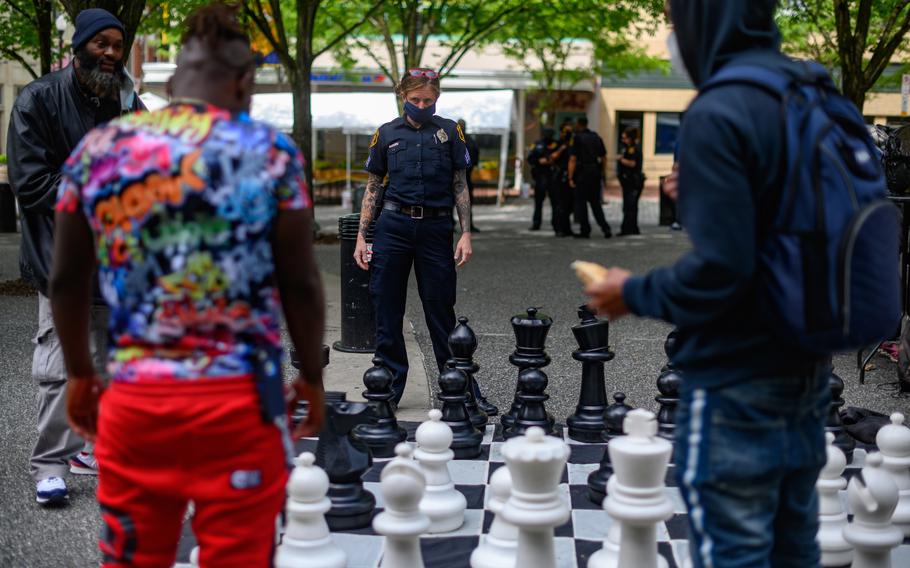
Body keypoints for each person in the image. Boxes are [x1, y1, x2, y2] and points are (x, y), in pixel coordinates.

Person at [49, 3, 325, 565]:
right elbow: (299, 282)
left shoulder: (101, 150)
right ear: (245, 80)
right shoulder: (271, 153)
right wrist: (312, 376)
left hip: (137, 404)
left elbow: (67, 279)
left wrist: (80, 373)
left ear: (174, 81)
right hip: (241, 405)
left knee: (133, 558)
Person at [586, 1, 831, 566]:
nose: (673, 35)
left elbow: (724, 269)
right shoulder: (808, 89)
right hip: (806, 363)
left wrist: (634, 291)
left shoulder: (720, 107)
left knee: (737, 550)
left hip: (737, 374)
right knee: (793, 545)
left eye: (676, 18)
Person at [6, 7, 145, 506]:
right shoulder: (37, 100)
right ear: (79, 45)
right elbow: (31, 184)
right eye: (100, 43)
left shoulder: (129, 102)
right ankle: (50, 464)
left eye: (117, 44)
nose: (110, 53)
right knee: (60, 366)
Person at [356, 69, 497, 415]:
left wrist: (466, 232)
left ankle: (460, 387)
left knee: (440, 308)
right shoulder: (386, 134)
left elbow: (460, 184)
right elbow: (373, 186)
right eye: (415, 99)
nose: (422, 105)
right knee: (387, 307)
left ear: (437, 99)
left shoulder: (450, 132)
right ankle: (387, 386)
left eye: (428, 100)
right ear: (403, 96)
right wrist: (362, 235)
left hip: (435, 229)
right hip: (393, 226)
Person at [568, 116, 612, 239]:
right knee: (595, 203)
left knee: (581, 203)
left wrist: (570, 177)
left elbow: (572, 159)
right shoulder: (596, 137)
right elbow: (604, 157)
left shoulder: (576, 138)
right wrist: (602, 173)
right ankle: (605, 228)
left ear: (578, 124)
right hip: (595, 172)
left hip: (582, 173)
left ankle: (585, 230)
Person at [527, 127, 559, 232]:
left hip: (552, 176)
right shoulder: (537, 144)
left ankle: (556, 224)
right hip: (540, 176)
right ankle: (536, 223)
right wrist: (538, 161)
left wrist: (553, 161)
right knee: (538, 202)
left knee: (555, 203)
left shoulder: (556, 145)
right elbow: (530, 158)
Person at [550, 119, 576, 237]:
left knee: (569, 204)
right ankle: (558, 228)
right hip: (559, 176)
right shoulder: (557, 143)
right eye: (566, 131)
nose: (568, 134)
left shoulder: (573, 144)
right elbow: (552, 157)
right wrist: (562, 148)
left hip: (569, 176)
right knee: (559, 204)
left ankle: (567, 227)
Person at [617, 127, 644, 236]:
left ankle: (629, 229)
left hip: (633, 181)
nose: (623, 140)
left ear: (630, 138)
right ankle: (631, 228)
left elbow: (633, 164)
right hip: (629, 181)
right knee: (630, 206)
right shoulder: (629, 148)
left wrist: (621, 160)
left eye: (625, 138)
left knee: (630, 206)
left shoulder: (634, 149)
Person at [458, 118, 481, 232]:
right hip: (458, 176)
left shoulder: (468, 140)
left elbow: (475, 156)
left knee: (467, 202)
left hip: (465, 176)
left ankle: (468, 225)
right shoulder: (455, 139)